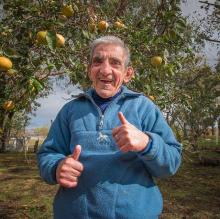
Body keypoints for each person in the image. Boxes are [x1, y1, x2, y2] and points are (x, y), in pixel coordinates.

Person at [37, 36, 181, 219]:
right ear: (90, 70)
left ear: (128, 74)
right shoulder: (70, 110)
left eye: (115, 63)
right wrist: (56, 167)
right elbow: (47, 154)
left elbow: (171, 163)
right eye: (98, 62)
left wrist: (147, 143)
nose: (105, 70)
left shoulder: (145, 108)